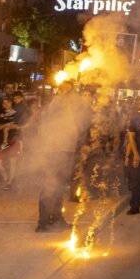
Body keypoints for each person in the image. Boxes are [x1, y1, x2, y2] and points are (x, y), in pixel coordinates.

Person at [36, 81, 84, 232]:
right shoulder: (57, 103)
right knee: (50, 186)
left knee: (58, 187)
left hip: (64, 151)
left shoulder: (66, 106)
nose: (73, 94)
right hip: (55, 152)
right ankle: (43, 222)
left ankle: (56, 218)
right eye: (70, 91)